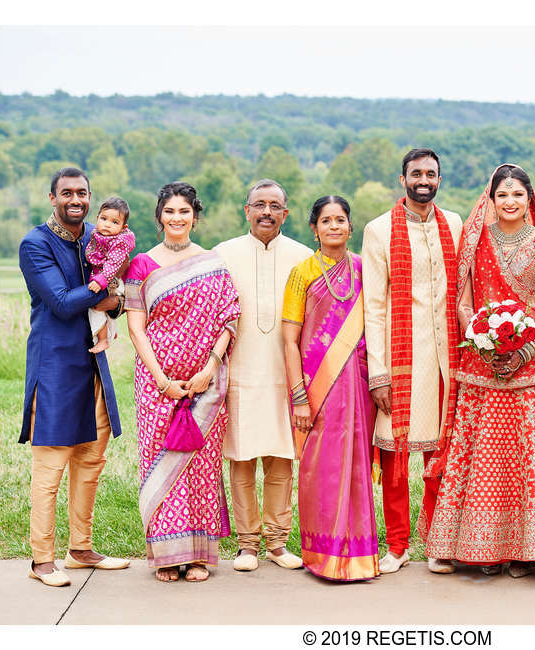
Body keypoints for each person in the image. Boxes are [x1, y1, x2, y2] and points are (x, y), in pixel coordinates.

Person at [423, 164, 535, 578]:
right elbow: (464, 303)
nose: (510, 202)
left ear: (530, 200)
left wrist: (524, 350)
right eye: (502, 195)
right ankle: (482, 551)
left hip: (531, 366)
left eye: (518, 195)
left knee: (528, 459)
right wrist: (484, 342)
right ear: (490, 201)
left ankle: (530, 551)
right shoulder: (474, 241)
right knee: (485, 459)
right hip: (483, 364)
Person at [18, 166, 129, 587]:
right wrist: (109, 293)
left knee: (91, 461)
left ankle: (80, 549)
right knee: (51, 469)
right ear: (53, 198)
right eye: (67, 193)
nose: (76, 200)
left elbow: (112, 302)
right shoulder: (36, 244)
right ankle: (41, 560)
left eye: (82, 193)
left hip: (93, 366)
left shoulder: (93, 239)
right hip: (56, 369)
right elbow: (63, 304)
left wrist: (114, 302)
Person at [125, 182, 241, 583]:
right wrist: (161, 380)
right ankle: (166, 556)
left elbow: (229, 316)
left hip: (205, 386)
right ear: (159, 217)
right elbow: (137, 329)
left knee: (201, 466)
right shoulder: (142, 264)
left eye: (184, 212)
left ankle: (198, 556)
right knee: (161, 465)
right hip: (157, 385)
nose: (177, 218)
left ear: (195, 215)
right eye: (170, 211)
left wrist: (209, 366)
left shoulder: (213, 262)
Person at [362, 148, 463, 574]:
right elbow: (374, 304)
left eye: (431, 173)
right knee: (396, 459)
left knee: (441, 457)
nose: (424, 179)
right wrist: (378, 372)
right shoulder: (379, 229)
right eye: (416, 173)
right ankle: (399, 545)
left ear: (439, 179)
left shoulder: (453, 224)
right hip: (400, 358)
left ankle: (439, 544)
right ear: (402, 179)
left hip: (447, 359)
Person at [281, 196, 380, 581]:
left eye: (341, 220)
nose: (334, 226)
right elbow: (289, 340)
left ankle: (358, 557)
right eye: (326, 220)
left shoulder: (364, 270)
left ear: (350, 227)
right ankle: (322, 555)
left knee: (355, 466)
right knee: (320, 468)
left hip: (357, 385)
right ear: (314, 227)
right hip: (316, 388)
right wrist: (299, 396)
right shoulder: (301, 273)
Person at [215, 179, 312, 571]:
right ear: (247, 210)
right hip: (239, 374)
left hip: (287, 376)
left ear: (285, 213)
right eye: (259, 205)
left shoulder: (304, 256)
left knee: (281, 459)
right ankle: (247, 545)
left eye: (275, 206)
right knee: (240, 459)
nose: (267, 212)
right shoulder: (223, 254)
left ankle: (277, 541)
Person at [85, 197, 136, 353]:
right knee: (101, 306)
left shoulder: (119, 242)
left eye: (115, 222)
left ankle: (102, 340)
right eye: (104, 219)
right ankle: (111, 332)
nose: (107, 224)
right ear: (97, 218)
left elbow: (113, 264)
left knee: (95, 307)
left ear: (123, 227)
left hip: (110, 279)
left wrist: (101, 280)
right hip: (103, 277)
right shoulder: (98, 235)